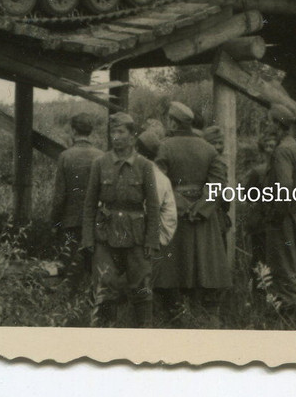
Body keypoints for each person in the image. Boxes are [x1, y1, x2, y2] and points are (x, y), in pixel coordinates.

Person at [82, 111, 162, 327]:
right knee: (105, 284)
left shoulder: (144, 166)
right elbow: (89, 204)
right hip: (105, 234)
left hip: (136, 235)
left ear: (132, 136)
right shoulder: (100, 164)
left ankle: (144, 330)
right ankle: (106, 331)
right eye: (112, 132)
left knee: (141, 284)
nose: (115, 137)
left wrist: (151, 240)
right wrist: (88, 238)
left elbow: (153, 205)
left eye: (120, 132)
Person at [153, 101, 232, 315]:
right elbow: (218, 184)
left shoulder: (164, 146)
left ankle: (174, 312)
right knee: (202, 264)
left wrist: (180, 205)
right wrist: (200, 207)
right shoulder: (209, 149)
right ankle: (201, 312)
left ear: (173, 122)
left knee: (172, 267)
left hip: (174, 215)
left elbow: (158, 182)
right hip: (202, 218)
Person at [260, 104, 296, 312]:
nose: (267, 125)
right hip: (294, 212)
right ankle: (295, 305)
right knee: (293, 261)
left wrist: (276, 215)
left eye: (270, 121)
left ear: (277, 125)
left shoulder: (282, 150)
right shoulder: (292, 146)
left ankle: (289, 310)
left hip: (284, 216)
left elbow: (285, 187)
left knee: (283, 264)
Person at [49, 113, 103, 289]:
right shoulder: (101, 156)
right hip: (95, 220)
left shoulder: (65, 156)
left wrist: (54, 221)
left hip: (70, 221)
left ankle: (69, 298)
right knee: (92, 267)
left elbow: (60, 196)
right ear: (90, 131)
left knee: (70, 266)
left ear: (73, 131)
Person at [136, 116, 179, 251]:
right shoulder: (160, 177)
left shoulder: (153, 176)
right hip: (153, 237)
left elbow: (151, 210)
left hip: (150, 240)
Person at [242, 131, 279, 284]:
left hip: (277, 220)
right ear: (262, 150)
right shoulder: (258, 172)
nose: (270, 150)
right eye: (267, 146)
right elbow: (248, 195)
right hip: (262, 222)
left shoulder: (281, 170)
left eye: (273, 146)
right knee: (260, 257)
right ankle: (259, 290)